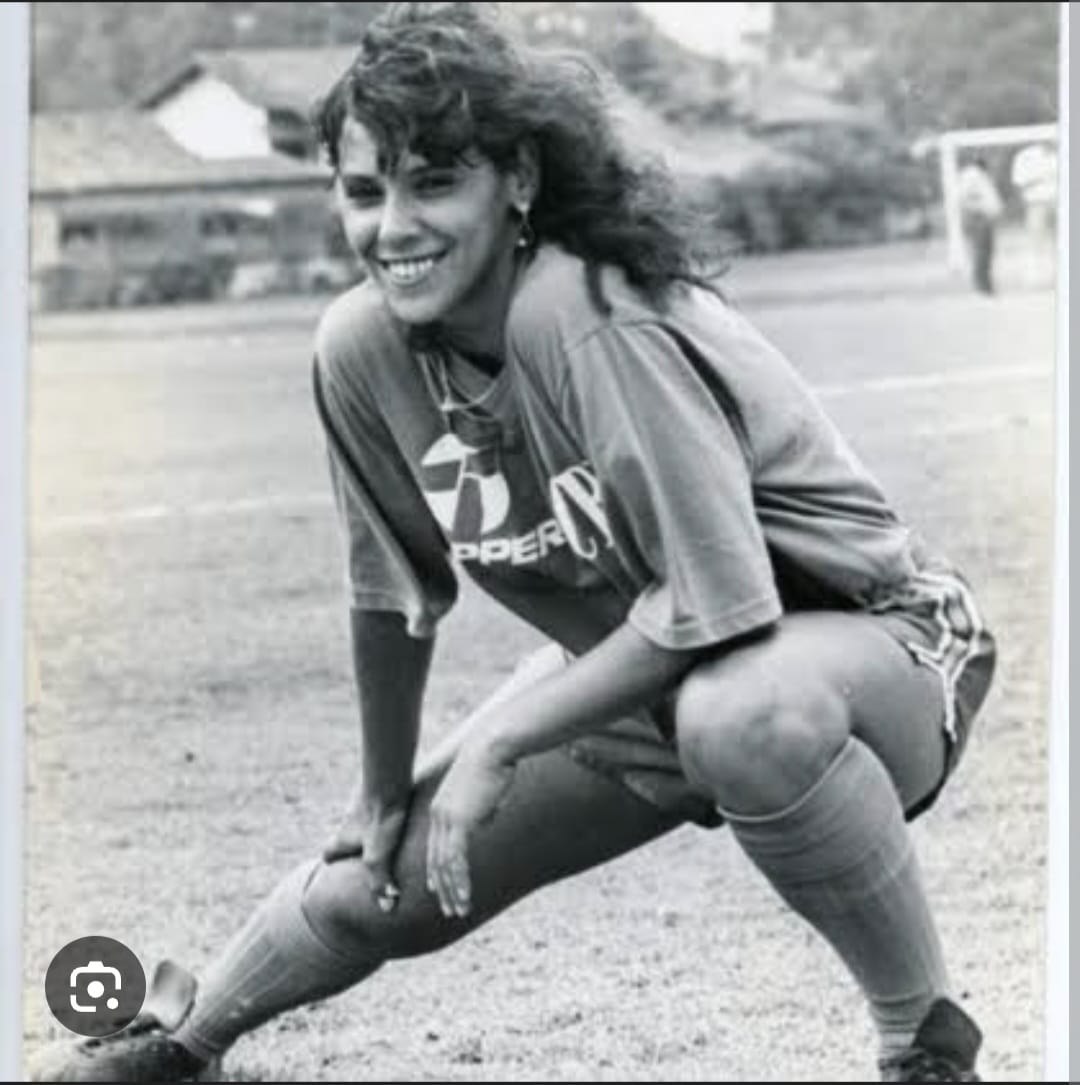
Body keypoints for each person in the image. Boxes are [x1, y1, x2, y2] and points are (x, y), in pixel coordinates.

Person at [32, 4, 996, 1081]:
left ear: (519, 181)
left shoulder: (581, 309)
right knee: (379, 873)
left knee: (744, 713)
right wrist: (386, 786)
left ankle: (923, 1041)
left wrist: (494, 740)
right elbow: (390, 595)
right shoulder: (362, 346)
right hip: (652, 668)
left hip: (873, 645)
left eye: (434, 183)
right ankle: (181, 1041)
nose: (392, 225)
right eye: (363, 191)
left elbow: (719, 601)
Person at [956, 156, 1003, 295]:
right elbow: (962, 198)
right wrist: (980, 209)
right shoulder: (971, 175)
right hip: (978, 219)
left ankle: (986, 285)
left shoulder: (980, 176)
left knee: (986, 253)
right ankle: (982, 286)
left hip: (984, 218)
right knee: (981, 253)